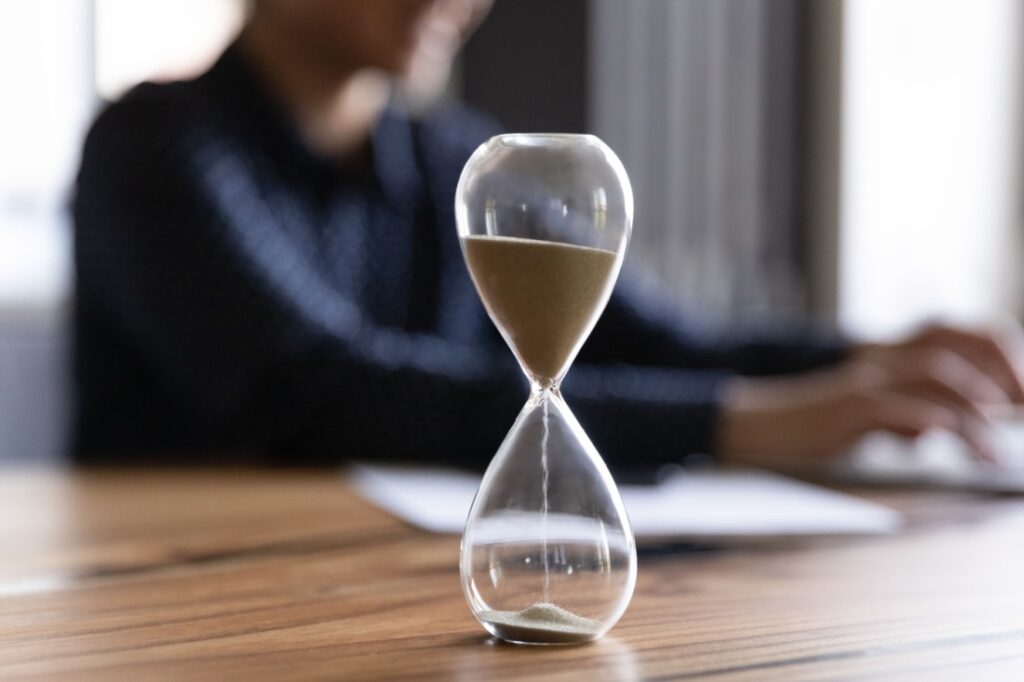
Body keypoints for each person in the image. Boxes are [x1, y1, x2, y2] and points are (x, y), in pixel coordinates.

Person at [73, 0, 1024, 475]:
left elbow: (659, 339)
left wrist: (874, 360)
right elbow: (320, 393)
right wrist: (745, 425)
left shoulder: (458, 162)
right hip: (193, 599)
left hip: (395, 579)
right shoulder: (152, 147)